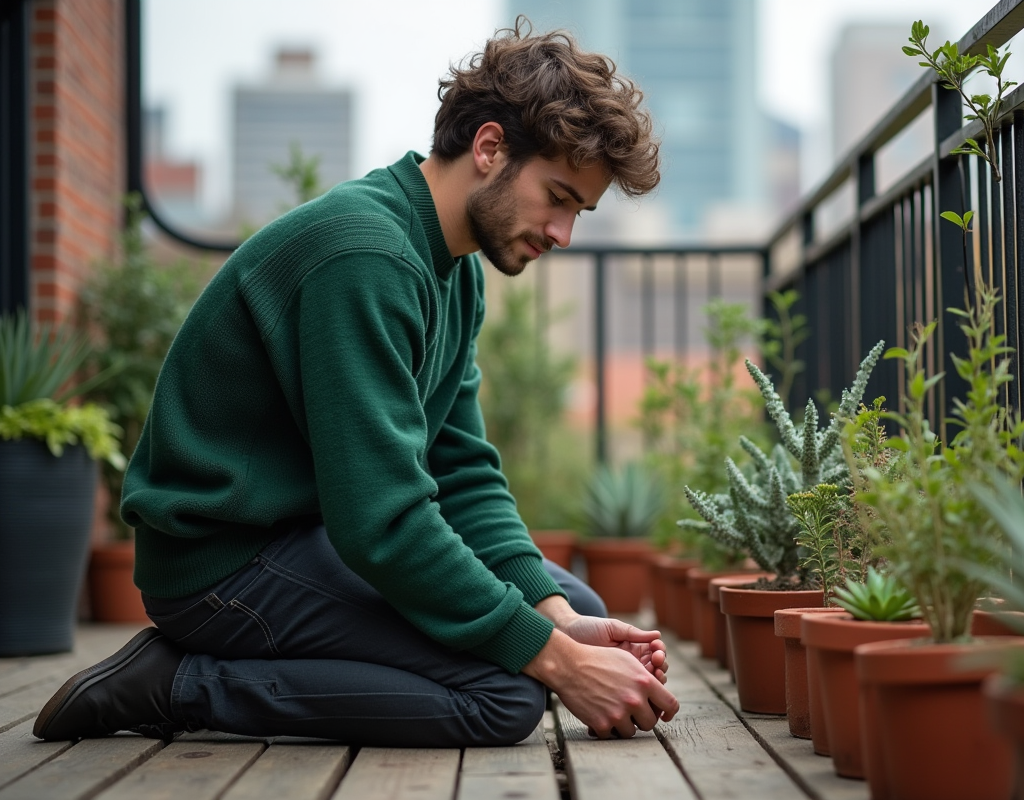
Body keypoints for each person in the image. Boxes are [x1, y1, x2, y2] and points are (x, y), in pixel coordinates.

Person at [34, 20, 678, 748]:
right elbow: (383, 522)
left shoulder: (455, 271)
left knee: (571, 601)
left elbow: (460, 470)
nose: (562, 234)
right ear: (490, 147)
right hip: (222, 565)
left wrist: (555, 619)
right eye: (557, 197)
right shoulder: (364, 256)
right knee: (503, 695)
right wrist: (559, 661)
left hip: (311, 536)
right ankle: (181, 683)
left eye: (578, 213)